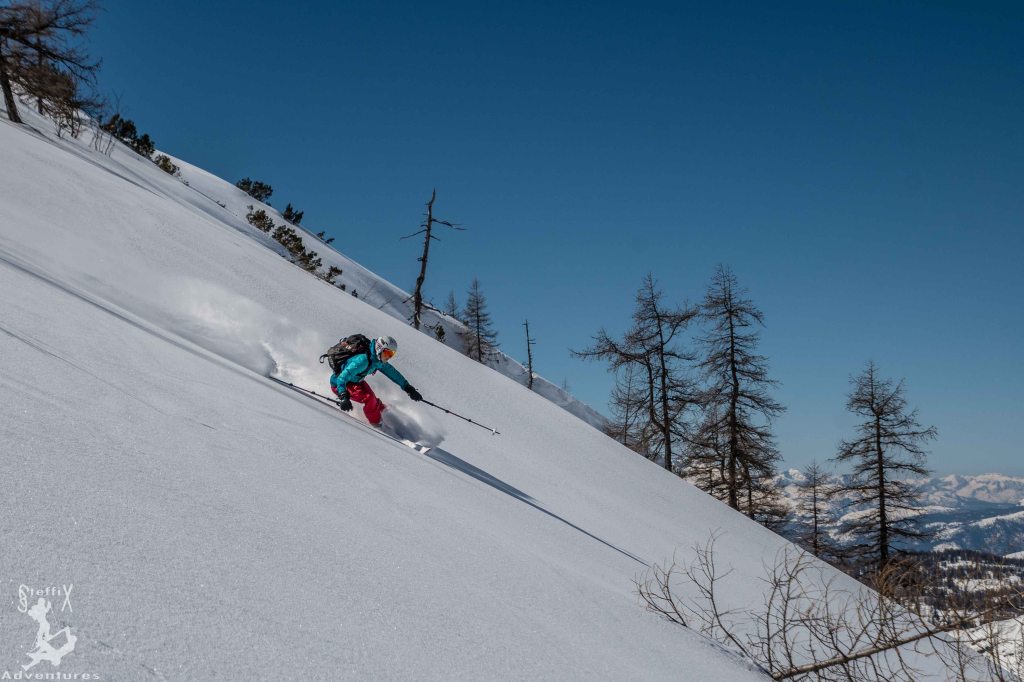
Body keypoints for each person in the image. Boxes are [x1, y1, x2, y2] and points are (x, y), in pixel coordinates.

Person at [329, 335, 422, 426]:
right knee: (369, 399)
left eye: (391, 354)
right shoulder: (362, 360)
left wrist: (407, 387)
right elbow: (342, 378)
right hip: (340, 385)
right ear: (379, 349)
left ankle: (384, 413)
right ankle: (377, 424)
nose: (388, 357)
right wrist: (344, 396)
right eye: (387, 353)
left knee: (372, 398)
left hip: (356, 381)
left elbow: (393, 373)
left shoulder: (377, 360)